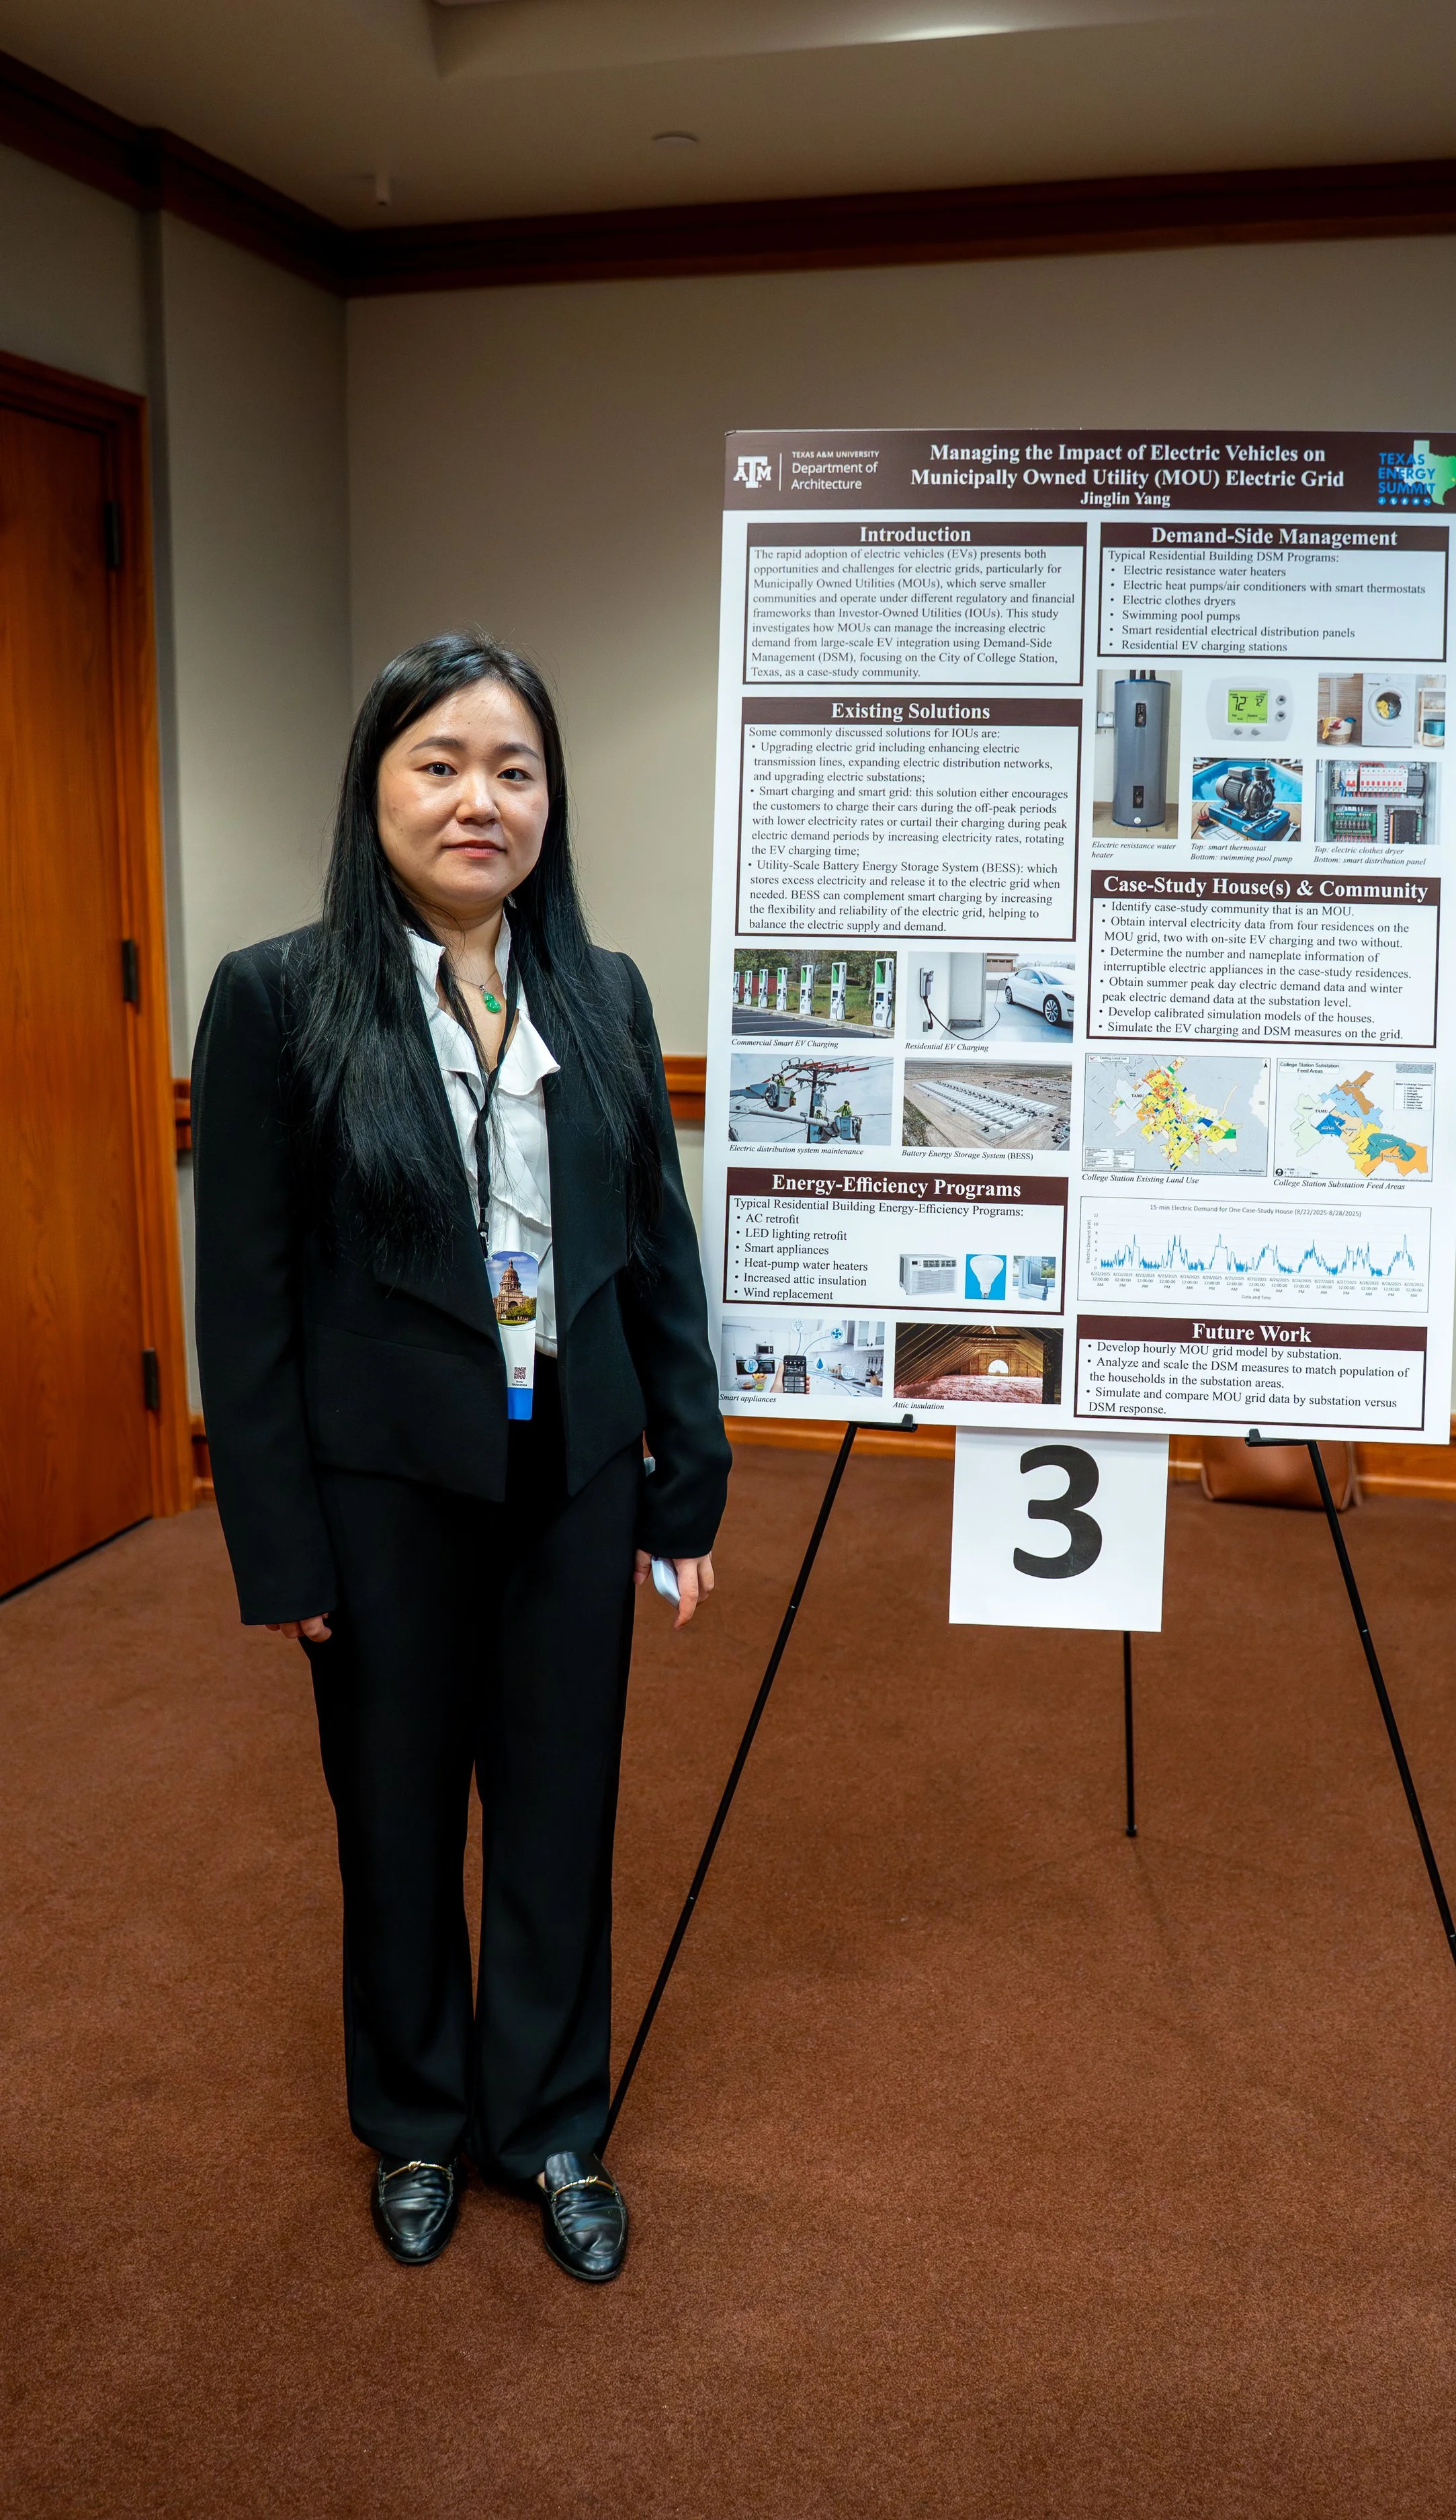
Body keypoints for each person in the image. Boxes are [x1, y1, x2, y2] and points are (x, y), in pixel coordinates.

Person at [192, 633, 729, 2282]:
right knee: (399, 1822)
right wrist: (280, 1551)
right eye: (440, 764)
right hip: (384, 1497)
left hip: (566, 1471)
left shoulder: (601, 990)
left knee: (562, 1817)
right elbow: (248, 1302)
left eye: (513, 769)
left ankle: (551, 2125)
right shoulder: (280, 997)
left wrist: (681, 1482)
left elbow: (655, 1250)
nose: (478, 801)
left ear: (550, 801)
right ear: (376, 790)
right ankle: (418, 2120)